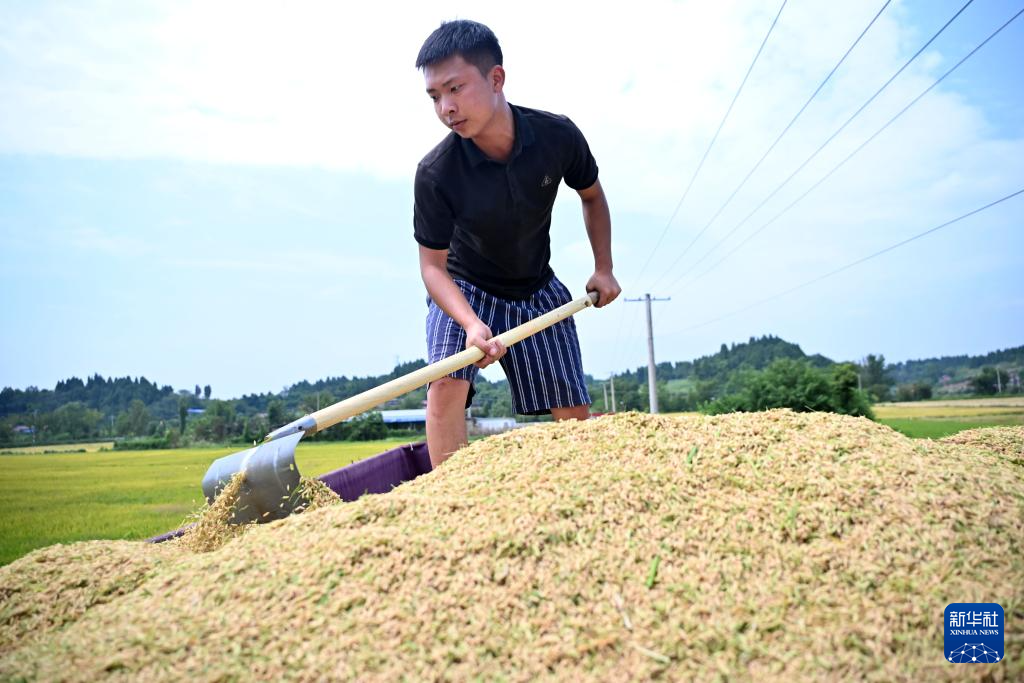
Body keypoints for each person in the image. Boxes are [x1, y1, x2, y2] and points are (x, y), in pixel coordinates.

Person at [413, 19, 620, 467]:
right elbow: (432, 267)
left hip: (536, 287)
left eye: (455, 88)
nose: (446, 107)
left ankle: (582, 482)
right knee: (445, 384)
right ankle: (448, 495)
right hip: (466, 289)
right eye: (434, 97)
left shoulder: (556, 136)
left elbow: (591, 195)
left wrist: (603, 268)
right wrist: (470, 323)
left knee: (571, 408)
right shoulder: (436, 172)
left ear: (496, 79)